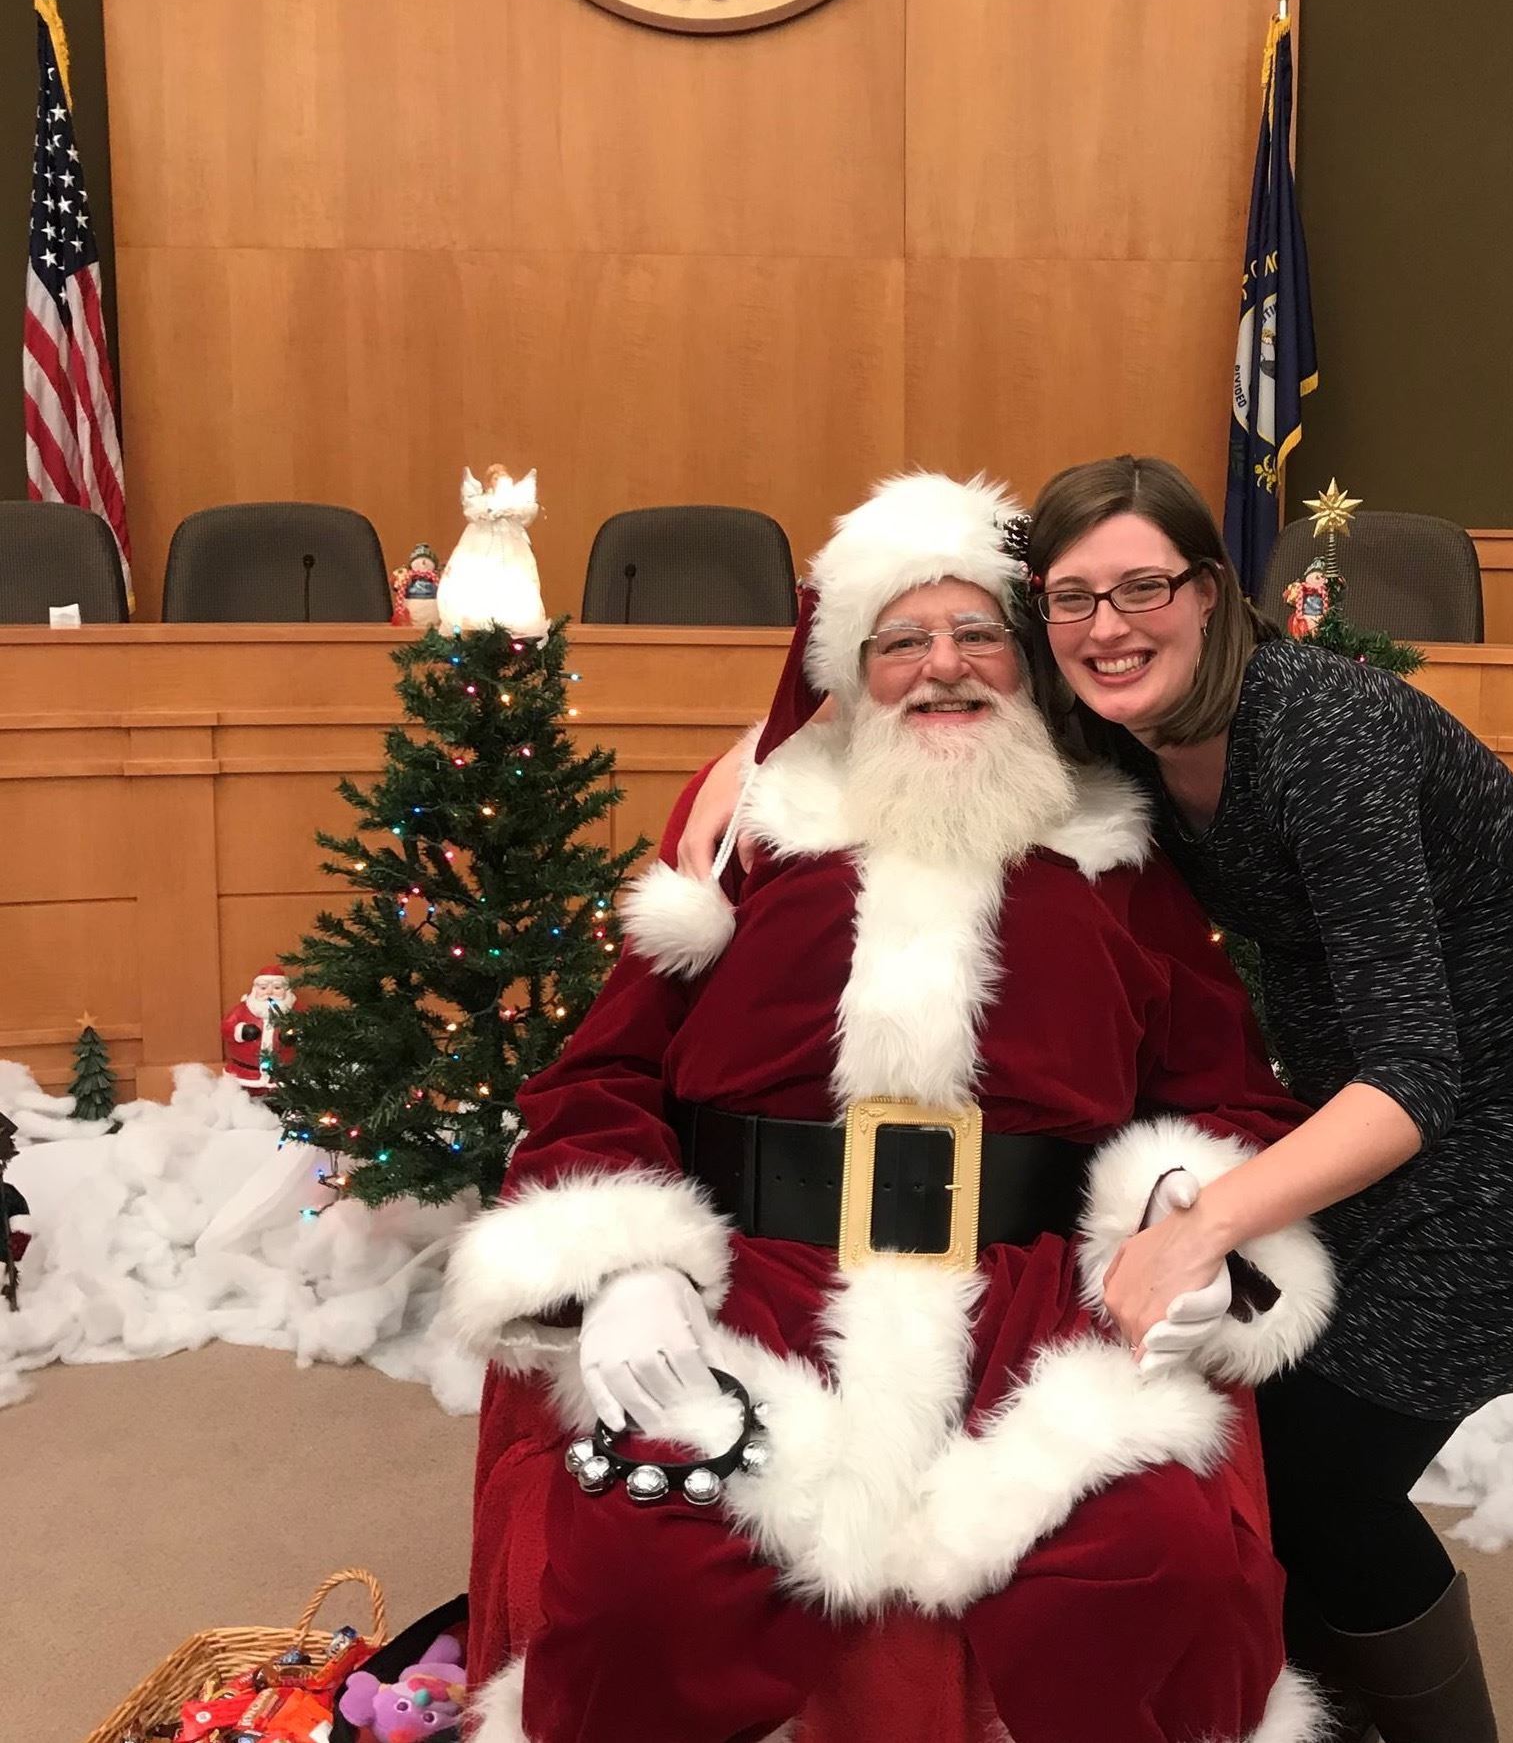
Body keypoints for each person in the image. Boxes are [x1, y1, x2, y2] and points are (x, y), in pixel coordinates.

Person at [684, 456, 1513, 1743]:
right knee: (1269, 1424)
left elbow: (1416, 1080)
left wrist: (1201, 1222)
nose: (1109, 626)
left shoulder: (1325, 733)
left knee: (1328, 1469)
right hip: (1376, 1078)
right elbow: (912, 656)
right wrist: (752, 756)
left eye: (1144, 586)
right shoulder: (1118, 723)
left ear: (1211, 593)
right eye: (1073, 597)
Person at [444, 472, 1335, 1743]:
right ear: (851, 673)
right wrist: (628, 1265)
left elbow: (1222, 1089)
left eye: (978, 634)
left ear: (1026, 664)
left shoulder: (1115, 858)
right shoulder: (744, 841)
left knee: (1159, 1567)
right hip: (756, 1287)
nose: (943, 666)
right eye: (902, 640)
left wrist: (1190, 1223)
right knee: (649, 1577)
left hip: (1033, 1303)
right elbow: (596, 1074)